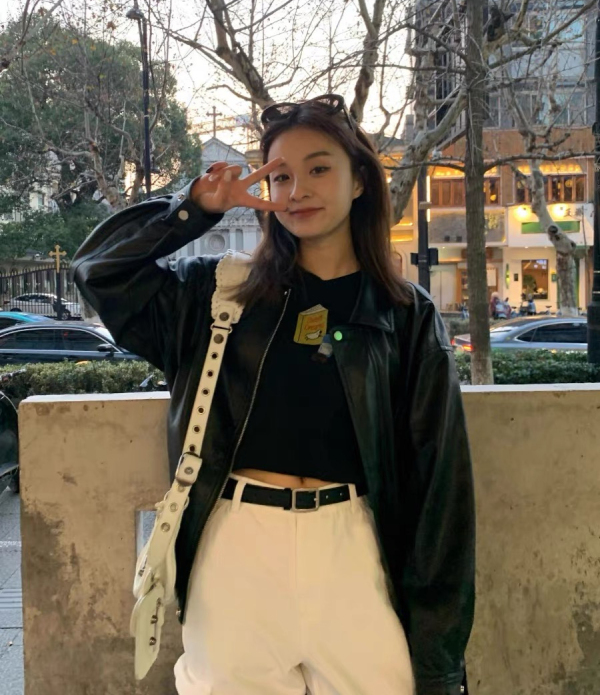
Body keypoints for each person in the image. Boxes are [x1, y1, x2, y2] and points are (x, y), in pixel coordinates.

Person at [72, 94, 475, 695]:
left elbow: (441, 481)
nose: (297, 190)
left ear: (360, 181)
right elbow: (98, 270)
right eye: (280, 176)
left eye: (319, 168)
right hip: (237, 546)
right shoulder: (218, 295)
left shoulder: (403, 312)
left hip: (356, 547)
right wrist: (192, 208)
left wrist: (440, 656)